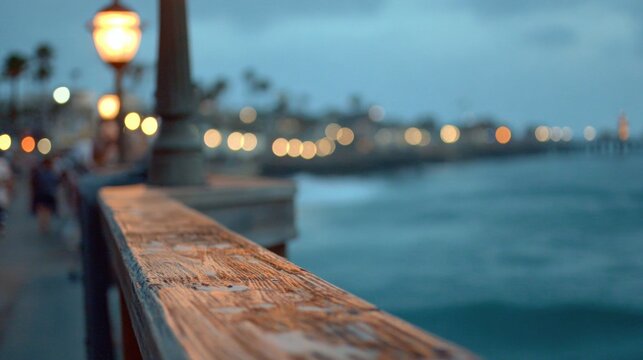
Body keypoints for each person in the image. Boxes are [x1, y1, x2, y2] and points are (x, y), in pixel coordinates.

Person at [30, 156, 60, 234]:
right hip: (49, 194)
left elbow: (35, 184)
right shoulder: (52, 173)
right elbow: (56, 182)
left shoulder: (40, 173)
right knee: (47, 211)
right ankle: (45, 225)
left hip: (41, 194)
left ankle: (42, 225)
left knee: (42, 210)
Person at [0, 153, 13, 234]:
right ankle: (2, 227)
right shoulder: (4, 164)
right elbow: (8, 180)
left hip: (2, 192)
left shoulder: (3, 164)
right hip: (2, 193)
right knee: (2, 211)